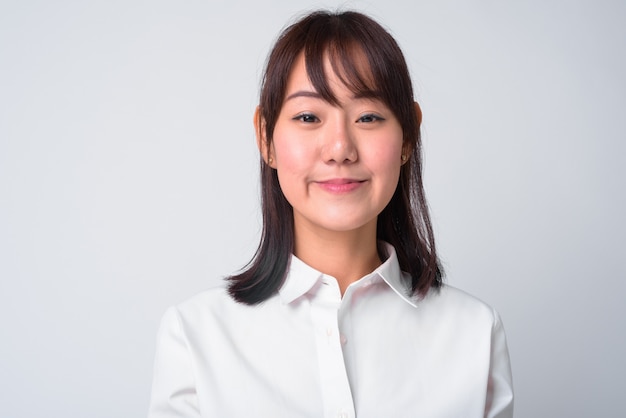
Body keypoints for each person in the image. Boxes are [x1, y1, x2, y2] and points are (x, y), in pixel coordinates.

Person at [148, 10, 514, 418]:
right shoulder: (196, 337)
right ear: (265, 137)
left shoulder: (475, 335)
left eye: (368, 117)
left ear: (408, 135)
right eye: (308, 117)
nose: (340, 148)